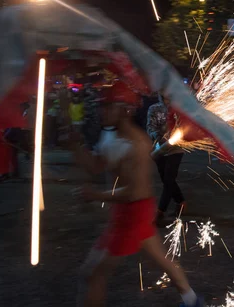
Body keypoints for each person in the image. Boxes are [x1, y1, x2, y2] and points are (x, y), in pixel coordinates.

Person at [71, 81, 203, 307]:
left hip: (133, 212)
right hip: (126, 212)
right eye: (103, 106)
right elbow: (95, 166)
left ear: (125, 110)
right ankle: (191, 299)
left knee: (93, 273)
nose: (103, 111)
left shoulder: (137, 144)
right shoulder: (109, 135)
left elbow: (135, 191)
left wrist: (96, 195)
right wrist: (73, 143)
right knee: (160, 259)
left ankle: (191, 299)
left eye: (109, 106)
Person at [147, 93, 186, 224]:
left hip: (177, 147)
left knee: (169, 178)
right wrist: (157, 136)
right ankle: (180, 201)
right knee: (165, 179)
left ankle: (160, 212)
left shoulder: (179, 108)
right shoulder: (154, 109)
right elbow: (150, 127)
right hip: (160, 148)